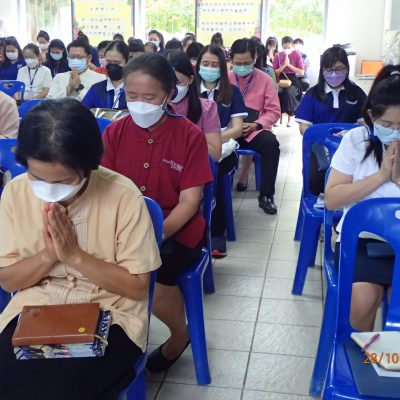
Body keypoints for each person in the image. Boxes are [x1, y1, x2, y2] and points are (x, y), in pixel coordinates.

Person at [0, 98, 161, 399]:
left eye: (64, 181)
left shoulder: (123, 196)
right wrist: (49, 254)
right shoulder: (15, 193)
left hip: (111, 311)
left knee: (63, 390)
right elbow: (8, 280)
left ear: (90, 165)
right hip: (35, 308)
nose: (50, 191)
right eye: (37, 178)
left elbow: (136, 287)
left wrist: (74, 255)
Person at [101, 53, 213, 373]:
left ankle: (179, 336)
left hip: (176, 230)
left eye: (149, 97)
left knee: (153, 272)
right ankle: (109, 340)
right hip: (122, 228)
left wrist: (153, 235)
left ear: (168, 95)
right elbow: (103, 191)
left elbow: (189, 202)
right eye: (132, 95)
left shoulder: (189, 136)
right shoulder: (115, 133)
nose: (139, 104)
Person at [325, 65, 400, 331]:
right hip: (364, 241)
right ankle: (363, 355)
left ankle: (391, 355)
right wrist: (381, 176)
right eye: (387, 125)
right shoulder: (357, 141)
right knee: (362, 302)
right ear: (371, 116)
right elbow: (332, 199)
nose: (395, 132)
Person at [197, 44, 247, 257]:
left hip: (224, 148)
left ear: (222, 68)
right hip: (194, 147)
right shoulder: (189, 91)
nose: (209, 68)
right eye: (205, 64)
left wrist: (212, 139)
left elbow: (237, 129)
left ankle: (217, 231)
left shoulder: (232, 92)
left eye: (214, 65)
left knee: (212, 169)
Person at [295, 46, 367, 195]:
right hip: (321, 147)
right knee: (316, 179)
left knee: (361, 176)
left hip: (351, 146)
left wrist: (349, 134)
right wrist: (325, 138)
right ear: (322, 71)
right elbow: (304, 128)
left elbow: (365, 124)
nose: (334, 74)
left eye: (339, 69)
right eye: (329, 70)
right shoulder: (312, 94)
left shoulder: (357, 93)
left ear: (347, 69)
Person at [229, 38, 281, 214]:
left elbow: (274, 111)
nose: (242, 67)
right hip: (229, 131)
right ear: (231, 59)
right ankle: (214, 192)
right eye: (238, 63)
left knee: (271, 144)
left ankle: (266, 195)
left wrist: (256, 125)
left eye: (247, 63)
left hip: (254, 130)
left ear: (255, 58)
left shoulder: (265, 79)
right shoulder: (226, 78)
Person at [166, 51, 222, 161]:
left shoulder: (206, 108)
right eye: (167, 83)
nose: (172, 89)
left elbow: (215, 153)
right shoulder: (154, 107)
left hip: (193, 166)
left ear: (190, 80)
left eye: (178, 83)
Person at [82, 40, 128, 110]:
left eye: (116, 62)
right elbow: (82, 112)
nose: (112, 66)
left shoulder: (136, 89)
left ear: (127, 62)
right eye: (108, 62)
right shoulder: (96, 89)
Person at [273, 36, 304, 127]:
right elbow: (274, 72)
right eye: (284, 47)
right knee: (278, 92)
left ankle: (290, 117)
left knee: (289, 92)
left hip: (292, 79)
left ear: (292, 46)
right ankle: (278, 117)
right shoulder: (278, 55)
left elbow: (301, 72)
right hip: (280, 78)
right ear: (281, 46)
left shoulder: (297, 54)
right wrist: (284, 65)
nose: (286, 49)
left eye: (289, 47)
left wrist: (289, 65)